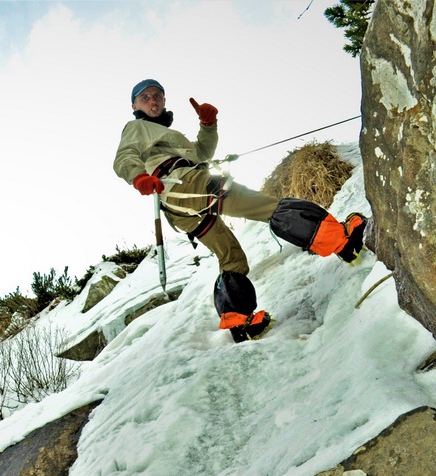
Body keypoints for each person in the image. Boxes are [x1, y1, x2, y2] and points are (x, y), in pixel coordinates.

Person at [113, 79, 367, 343]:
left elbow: (201, 153)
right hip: (186, 186)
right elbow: (125, 157)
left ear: (164, 100)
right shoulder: (137, 127)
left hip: (180, 205)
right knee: (265, 206)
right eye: (145, 98)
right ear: (135, 105)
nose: (153, 101)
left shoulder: (167, 135)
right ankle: (341, 240)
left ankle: (237, 320)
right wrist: (138, 177)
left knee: (231, 256)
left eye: (157, 96)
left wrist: (208, 126)